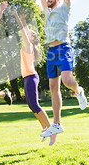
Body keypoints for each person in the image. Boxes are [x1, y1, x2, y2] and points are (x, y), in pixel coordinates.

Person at [38, 0, 88, 140]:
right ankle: (57, 123)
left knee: (67, 80)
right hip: (50, 52)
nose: (48, 0)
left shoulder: (64, 8)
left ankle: (78, 91)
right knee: (53, 87)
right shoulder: (48, 12)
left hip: (63, 49)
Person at [12, 10, 56, 145]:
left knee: (35, 105)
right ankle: (45, 128)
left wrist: (17, 16)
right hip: (28, 77)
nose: (27, 33)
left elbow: (23, 31)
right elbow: (25, 30)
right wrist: (24, 21)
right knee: (32, 106)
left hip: (31, 77)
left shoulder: (28, 45)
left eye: (30, 34)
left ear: (31, 38)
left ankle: (52, 130)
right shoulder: (29, 43)